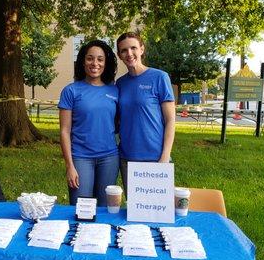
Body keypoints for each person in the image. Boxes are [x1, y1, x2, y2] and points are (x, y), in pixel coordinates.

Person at [58, 40, 119, 206]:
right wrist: (69, 166)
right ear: (83, 61)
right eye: (90, 58)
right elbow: (64, 131)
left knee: (105, 210)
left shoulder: (114, 90)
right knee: (81, 209)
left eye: (100, 59)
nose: (95, 63)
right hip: (80, 158)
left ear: (106, 63)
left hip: (109, 158)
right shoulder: (71, 91)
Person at [115, 32, 176, 187]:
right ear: (119, 55)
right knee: (134, 209)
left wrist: (165, 156)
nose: (129, 53)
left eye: (133, 48)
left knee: (157, 209)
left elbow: (170, 121)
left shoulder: (160, 78)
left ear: (141, 49)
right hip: (127, 158)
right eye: (124, 50)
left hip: (155, 158)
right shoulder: (120, 84)